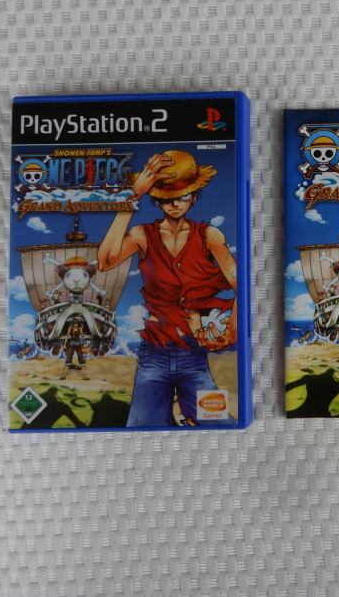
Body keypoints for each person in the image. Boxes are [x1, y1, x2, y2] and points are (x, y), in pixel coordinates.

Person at [98, 150, 237, 426]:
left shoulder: (209, 236)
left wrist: (231, 330)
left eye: (182, 196)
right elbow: (105, 262)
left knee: (219, 424)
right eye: (166, 198)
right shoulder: (142, 235)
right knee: (141, 429)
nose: (174, 204)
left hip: (193, 352)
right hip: (154, 352)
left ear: (193, 197)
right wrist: (133, 195)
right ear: (157, 199)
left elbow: (240, 285)